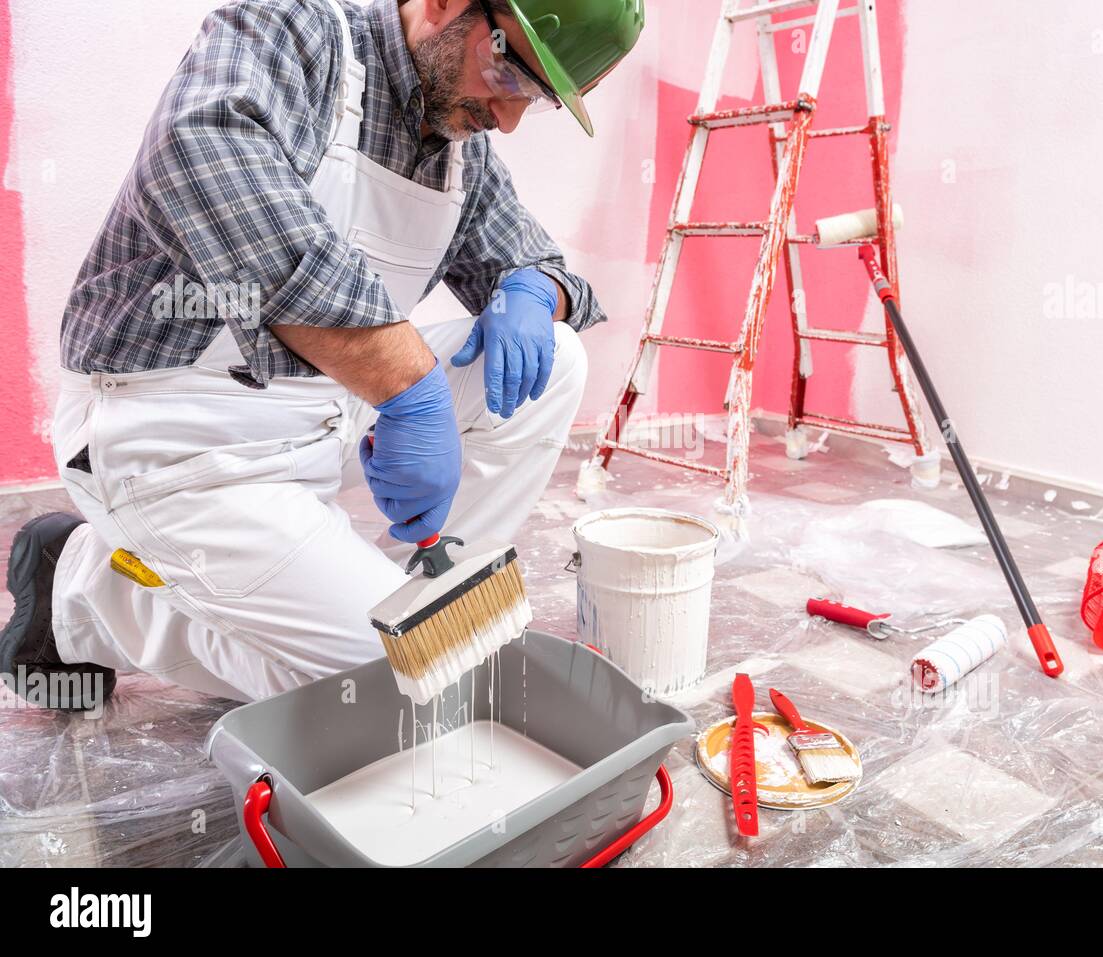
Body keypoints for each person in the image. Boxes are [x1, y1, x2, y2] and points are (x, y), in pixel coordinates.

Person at [0, 0, 645, 709]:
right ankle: (86, 592)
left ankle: (407, 599)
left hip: (317, 416)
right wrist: (408, 384)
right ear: (443, 5)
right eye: (509, 71)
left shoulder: (459, 148)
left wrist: (537, 285)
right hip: (176, 427)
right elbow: (201, 155)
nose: (510, 116)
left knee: (553, 358)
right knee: (403, 687)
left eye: (539, 98)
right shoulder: (296, 34)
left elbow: (538, 260)